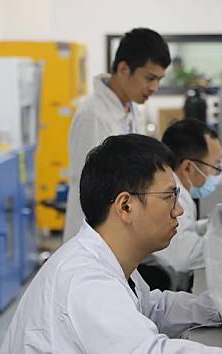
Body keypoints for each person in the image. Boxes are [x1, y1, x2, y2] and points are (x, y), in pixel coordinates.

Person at [0, 134, 222, 354]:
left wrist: (219, 308)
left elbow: (152, 307)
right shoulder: (84, 282)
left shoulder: (106, 262)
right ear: (125, 205)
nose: (179, 211)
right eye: (169, 197)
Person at [63, 28, 171, 242]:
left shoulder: (130, 109)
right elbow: (91, 191)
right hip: (94, 239)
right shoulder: (93, 115)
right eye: (149, 78)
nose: (154, 87)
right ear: (123, 69)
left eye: (159, 80)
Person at [152, 118, 222, 273]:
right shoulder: (171, 195)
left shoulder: (176, 189)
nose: (217, 174)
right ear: (188, 167)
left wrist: (210, 224)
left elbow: (183, 230)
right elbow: (184, 256)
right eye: (215, 166)